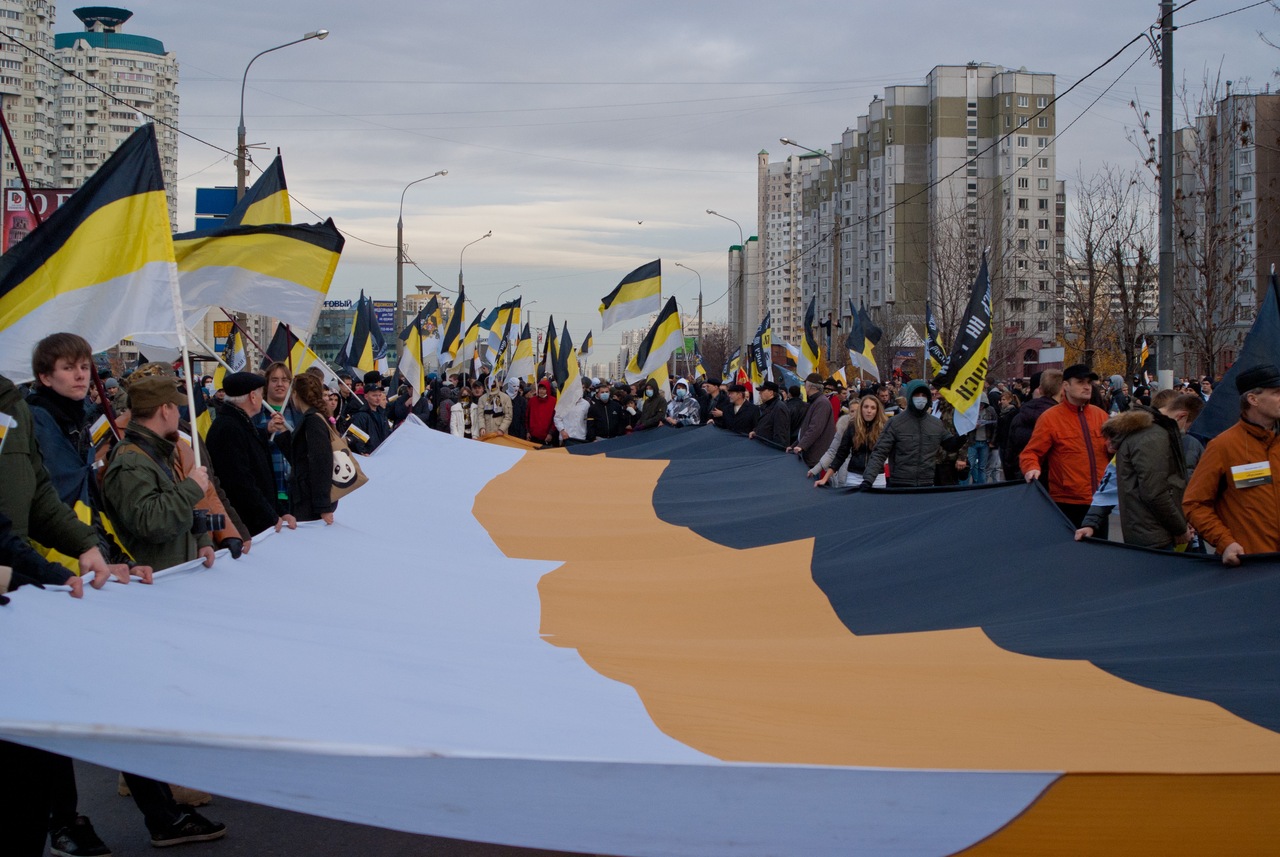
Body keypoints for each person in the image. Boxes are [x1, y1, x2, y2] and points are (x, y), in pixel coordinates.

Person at [101, 376, 218, 572]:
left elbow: (174, 507)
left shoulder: (157, 451)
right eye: (175, 408)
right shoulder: (132, 462)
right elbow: (150, 523)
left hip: (173, 572)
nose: (179, 415)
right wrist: (191, 488)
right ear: (165, 410)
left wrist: (200, 539)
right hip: (155, 581)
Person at [1183, 364, 1280, 566]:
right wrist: (1225, 542)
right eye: (1277, 393)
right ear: (1253, 399)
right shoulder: (1223, 446)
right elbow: (1195, 504)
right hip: (1252, 565)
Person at [1075, 395, 1202, 549]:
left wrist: (1091, 522)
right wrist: (1180, 528)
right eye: (1188, 426)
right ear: (1182, 416)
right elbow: (1155, 493)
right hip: (1156, 533)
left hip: (1148, 530)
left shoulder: (1141, 433)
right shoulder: (1154, 436)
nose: (1185, 432)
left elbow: (1109, 485)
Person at [204, 372, 299, 538]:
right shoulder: (227, 428)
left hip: (258, 520)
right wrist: (269, 515)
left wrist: (280, 511)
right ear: (252, 397)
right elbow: (240, 482)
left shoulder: (239, 422)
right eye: (261, 393)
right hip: (247, 525)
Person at [1019, 364, 1110, 528]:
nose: (1087, 387)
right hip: (1067, 502)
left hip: (1099, 502)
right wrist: (1031, 468)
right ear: (1066, 386)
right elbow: (1031, 453)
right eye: (1081, 382)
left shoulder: (1101, 416)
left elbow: (1112, 452)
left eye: (1089, 383)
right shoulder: (1050, 418)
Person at [860, 378, 955, 488]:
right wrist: (868, 480)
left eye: (923, 395)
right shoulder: (895, 423)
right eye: (917, 395)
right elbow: (879, 452)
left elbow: (950, 445)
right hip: (900, 485)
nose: (920, 398)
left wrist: (963, 436)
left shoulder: (936, 424)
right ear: (910, 397)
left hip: (926, 484)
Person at [287, 373, 338, 525]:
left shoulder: (313, 420)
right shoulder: (315, 417)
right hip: (309, 497)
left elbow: (321, 461)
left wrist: (323, 506)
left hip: (309, 500)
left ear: (295, 394)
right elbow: (301, 454)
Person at [816, 395, 889, 488]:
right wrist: (825, 478)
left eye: (873, 408)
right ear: (861, 409)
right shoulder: (852, 427)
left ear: (877, 411)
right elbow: (841, 454)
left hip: (878, 478)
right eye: (866, 407)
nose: (869, 411)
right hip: (854, 477)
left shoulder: (884, 429)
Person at [1003, 369, 1063, 481]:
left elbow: (1009, 454)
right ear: (1063, 391)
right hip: (1054, 483)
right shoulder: (1061, 419)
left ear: (1040, 390)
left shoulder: (1018, 415)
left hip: (1023, 479)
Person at [788, 374, 836, 469]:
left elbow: (815, 428)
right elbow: (805, 429)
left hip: (815, 456)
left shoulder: (821, 403)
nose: (804, 387)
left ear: (809, 386)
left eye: (805, 384)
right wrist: (795, 445)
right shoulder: (816, 401)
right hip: (812, 454)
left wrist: (801, 445)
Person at [348, 377, 392, 453]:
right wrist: (363, 452)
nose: (378, 398)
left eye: (379, 395)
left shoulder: (382, 414)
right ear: (366, 396)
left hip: (382, 454)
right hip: (370, 456)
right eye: (374, 395)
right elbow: (356, 439)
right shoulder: (361, 416)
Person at [749, 381, 790, 447]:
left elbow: (780, 434)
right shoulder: (766, 406)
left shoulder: (779, 407)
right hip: (764, 447)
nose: (759, 393)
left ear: (771, 392)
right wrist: (756, 432)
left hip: (771, 449)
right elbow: (766, 425)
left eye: (762, 391)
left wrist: (777, 451)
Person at [526, 379, 557, 445]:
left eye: (543, 389)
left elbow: (555, 419)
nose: (541, 391)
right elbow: (527, 417)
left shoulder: (553, 401)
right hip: (533, 436)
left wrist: (550, 433)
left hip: (546, 436)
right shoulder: (532, 401)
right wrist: (527, 431)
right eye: (540, 388)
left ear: (547, 389)